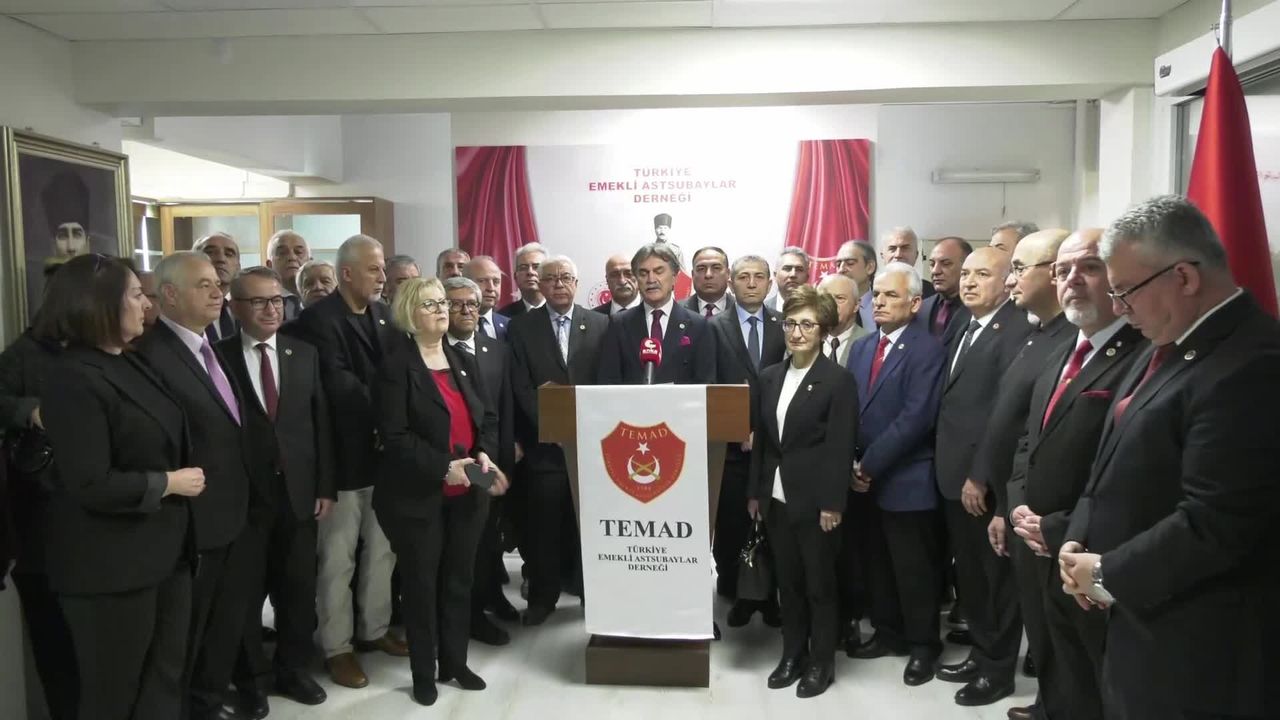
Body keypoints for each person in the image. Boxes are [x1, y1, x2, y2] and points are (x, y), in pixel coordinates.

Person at [1059, 196, 1280, 720]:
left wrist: (1107, 572)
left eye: (1125, 291)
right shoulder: (1166, 342)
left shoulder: (1252, 363)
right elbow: (1111, 456)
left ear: (1183, 277)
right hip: (1138, 616)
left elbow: (1217, 522)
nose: (1119, 308)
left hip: (1198, 640)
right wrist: (1079, 535)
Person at [40, 253, 203, 720]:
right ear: (100, 304)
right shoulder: (72, 377)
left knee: (164, 679)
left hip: (165, 554)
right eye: (135, 295)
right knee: (113, 693)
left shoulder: (131, 361)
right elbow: (90, 482)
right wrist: (167, 482)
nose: (147, 305)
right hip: (110, 567)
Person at [1006, 228, 1146, 720]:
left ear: (1117, 277)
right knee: (1052, 652)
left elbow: (1126, 469)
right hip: (1034, 538)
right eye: (1063, 270)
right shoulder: (1062, 350)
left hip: (1085, 547)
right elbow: (1030, 441)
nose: (1073, 280)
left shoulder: (1140, 355)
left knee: (1091, 671)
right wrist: (1018, 505)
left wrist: (1060, 527)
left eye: (1089, 267)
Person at [374, 276, 509, 707]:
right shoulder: (395, 367)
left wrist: (484, 454)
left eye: (442, 304)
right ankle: (423, 673)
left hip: (470, 488)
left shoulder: (461, 358)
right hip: (419, 494)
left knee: (459, 580)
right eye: (431, 304)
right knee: (421, 585)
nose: (441, 310)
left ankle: (455, 662)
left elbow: (487, 417)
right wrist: (442, 468)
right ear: (409, 314)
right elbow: (394, 436)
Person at [136, 251, 255, 720]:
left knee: (224, 626)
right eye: (202, 284)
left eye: (216, 284)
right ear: (168, 294)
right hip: (191, 523)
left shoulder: (212, 346)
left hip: (233, 514)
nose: (217, 292)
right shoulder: (152, 354)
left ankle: (207, 703)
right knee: (185, 635)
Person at [288, 234, 406, 689]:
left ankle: (374, 630)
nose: (382, 276)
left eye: (383, 269)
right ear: (347, 273)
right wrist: (389, 409)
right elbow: (338, 386)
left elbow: (398, 371)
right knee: (338, 559)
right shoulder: (318, 320)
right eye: (374, 269)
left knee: (382, 550)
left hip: (384, 459)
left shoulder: (384, 314)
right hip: (341, 460)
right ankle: (337, 647)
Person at [219, 267, 334, 715]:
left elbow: (319, 423)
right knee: (245, 595)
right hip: (244, 496)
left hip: (299, 492)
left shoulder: (302, 352)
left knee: (298, 590)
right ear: (235, 308)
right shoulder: (218, 357)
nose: (271, 309)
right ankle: (251, 680)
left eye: (278, 301)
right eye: (259, 301)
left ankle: (293, 670)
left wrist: (324, 486)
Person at [968, 229, 1073, 719]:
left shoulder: (1069, 339)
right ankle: (1048, 701)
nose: (1012, 280)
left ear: (1052, 273)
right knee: (1033, 612)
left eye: (1018, 268)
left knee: (1054, 622)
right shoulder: (1037, 334)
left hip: (1049, 509)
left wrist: (1011, 504)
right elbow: (1013, 422)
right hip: (1018, 498)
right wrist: (1006, 502)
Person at [932, 247, 1033, 707]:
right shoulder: (963, 323)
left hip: (983, 483)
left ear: (1007, 280)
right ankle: (980, 652)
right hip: (952, 476)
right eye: (967, 274)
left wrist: (981, 476)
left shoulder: (1014, 331)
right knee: (971, 578)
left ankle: (998, 670)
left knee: (995, 582)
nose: (969, 282)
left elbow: (1006, 416)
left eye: (983, 274)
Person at [748, 285, 859, 699]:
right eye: (791, 323)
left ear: (823, 330)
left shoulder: (838, 380)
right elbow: (763, 441)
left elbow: (840, 446)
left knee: (819, 586)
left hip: (816, 503)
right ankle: (791, 655)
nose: (796, 332)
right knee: (788, 584)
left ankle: (821, 663)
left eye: (807, 325)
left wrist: (833, 503)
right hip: (776, 499)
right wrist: (756, 492)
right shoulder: (769, 376)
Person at [846, 262, 947, 686]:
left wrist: (868, 465)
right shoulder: (863, 347)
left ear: (915, 302)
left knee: (914, 570)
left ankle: (923, 646)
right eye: (877, 295)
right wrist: (851, 463)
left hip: (906, 478)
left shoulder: (928, 349)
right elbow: (852, 409)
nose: (880, 302)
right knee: (877, 564)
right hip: (863, 481)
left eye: (891, 295)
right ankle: (888, 633)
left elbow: (916, 418)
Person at [508, 256, 610, 625]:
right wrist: (553, 426)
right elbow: (520, 385)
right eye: (550, 278)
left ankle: (591, 594)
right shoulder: (521, 327)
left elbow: (607, 381)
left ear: (577, 282)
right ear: (540, 284)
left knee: (589, 526)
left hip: (591, 446)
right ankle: (542, 598)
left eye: (566, 277)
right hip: (544, 447)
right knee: (543, 527)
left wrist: (585, 427)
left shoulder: (601, 324)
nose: (559, 284)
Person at [1, 311, 75, 720]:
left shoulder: (111, 352)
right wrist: (30, 411)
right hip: (41, 524)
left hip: (95, 524)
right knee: (55, 643)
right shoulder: (23, 355)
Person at [441, 276, 519, 644]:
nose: (466, 310)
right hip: (452, 467)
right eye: (456, 303)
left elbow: (503, 409)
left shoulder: (496, 349)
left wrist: (504, 463)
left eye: (471, 303)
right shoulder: (434, 350)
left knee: (488, 539)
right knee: (459, 549)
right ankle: (465, 617)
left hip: (491, 462)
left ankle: (489, 598)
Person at [711, 255, 785, 629]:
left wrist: (764, 431)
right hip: (731, 448)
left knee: (772, 525)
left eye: (759, 277)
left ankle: (769, 597)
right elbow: (710, 384)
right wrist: (737, 428)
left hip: (774, 445)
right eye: (743, 276)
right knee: (733, 524)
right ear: (731, 283)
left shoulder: (784, 324)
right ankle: (736, 593)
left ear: (770, 283)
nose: (751, 283)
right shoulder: (713, 327)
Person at [596, 243, 716, 385]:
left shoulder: (698, 325)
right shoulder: (618, 324)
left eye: (659, 271)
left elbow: (706, 383)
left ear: (674, 277)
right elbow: (609, 380)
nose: (651, 279)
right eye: (643, 273)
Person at [919, 237, 972, 343]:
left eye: (946, 264)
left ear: (966, 266)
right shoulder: (921, 308)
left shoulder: (978, 309)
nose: (935, 271)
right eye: (932, 264)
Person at [194, 232, 242, 342]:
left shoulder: (247, 307)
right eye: (210, 252)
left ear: (238, 267)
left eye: (229, 254)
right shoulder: (182, 309)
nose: (221, 259)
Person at [817, 273, 868, 367]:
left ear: (856, 305)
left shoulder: (870, 344)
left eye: (840, 298)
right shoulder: (803, 340)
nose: (831, 304)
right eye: (825, 298)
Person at [265, 230, 310, 321]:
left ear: (310, 262)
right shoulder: (260, 302)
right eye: (282, 253)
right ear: (269, 265)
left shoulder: (323, 298)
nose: (292, 257)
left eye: (298, 252)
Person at [879, 227, 936, 299]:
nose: (898, 254)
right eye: (892, 249)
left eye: (905, 248)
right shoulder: (871, 291)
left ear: (916, 255)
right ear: (882, 255)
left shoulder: (932, 293)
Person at [464, 255, 510, 340]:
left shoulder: (510, 326)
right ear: (465, 283)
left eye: (496, 282)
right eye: (482, 281)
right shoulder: (451, 324)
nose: (491, 288)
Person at [834, 240, 877, 329]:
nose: (841, 269)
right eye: (838, 265)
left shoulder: (885, 303)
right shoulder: (829, 306)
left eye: (850, 263)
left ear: (870, 267)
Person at [498, 242, 547, 318]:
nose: (530, 272)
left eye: (536, 267)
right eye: (523, 268)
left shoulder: (560, 312)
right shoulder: (503, 317)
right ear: (515, 276)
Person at [684, 246, 734, 317]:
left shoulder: (742, 308)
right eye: (701, 269)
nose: (708, 275)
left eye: (716, 268)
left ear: (728, 273)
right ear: (693, 274)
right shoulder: (675, 311)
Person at [765, 247, 810, 313]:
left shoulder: (818, 311)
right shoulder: (761, 310)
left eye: (799, 269)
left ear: (807, 277)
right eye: (787, 268)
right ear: (775, 275)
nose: (793, 274)